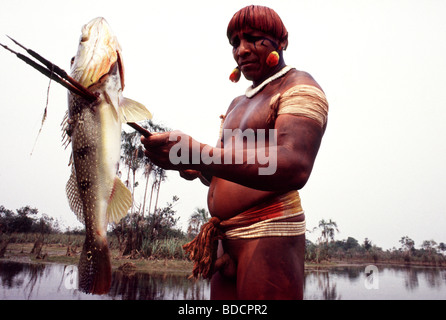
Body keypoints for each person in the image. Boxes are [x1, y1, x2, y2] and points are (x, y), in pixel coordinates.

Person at [141, 5, 328, 300]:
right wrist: (195, 166)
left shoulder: (298, 86)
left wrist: (200, 155)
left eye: (253, 38)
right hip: (225, 238)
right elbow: (228, 169)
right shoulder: (236, 104)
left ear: (281, 42)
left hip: (269, 231)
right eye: (234, 43)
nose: (241, 50)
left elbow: (295, 165)